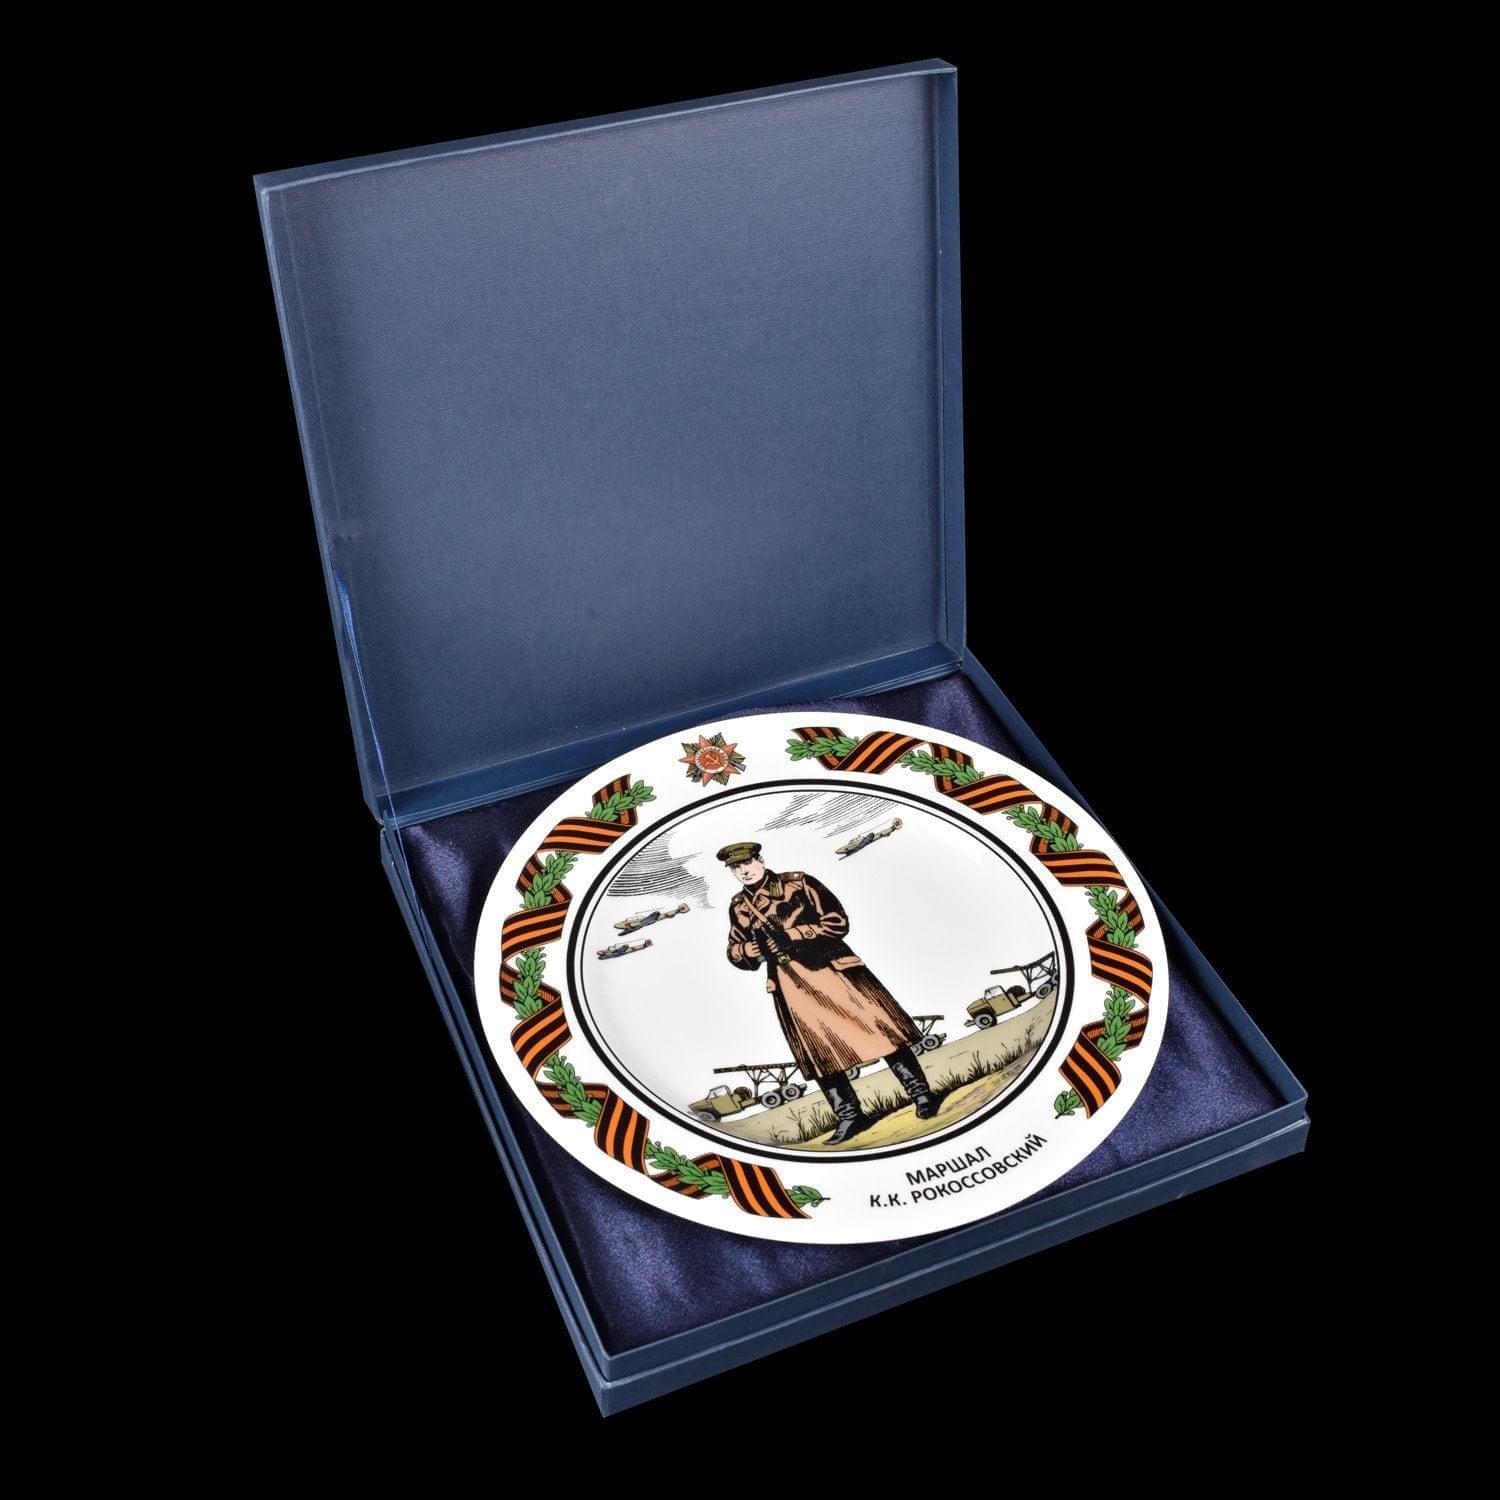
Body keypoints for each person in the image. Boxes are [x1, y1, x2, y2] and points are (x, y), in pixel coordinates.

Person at [717, 841, 941, 1144]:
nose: (743, 871)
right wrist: (748, 950)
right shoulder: (739, 906)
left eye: (747, 863)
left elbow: (837, 922)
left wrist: (794, 934)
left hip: (832, 970)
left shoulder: (798, 883)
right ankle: (850, 1116)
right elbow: (734, 948)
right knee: (818, 1052)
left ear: (760, 860)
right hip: (791, 983)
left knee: (883, 1034)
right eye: (735, 867)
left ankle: (922, 1094)